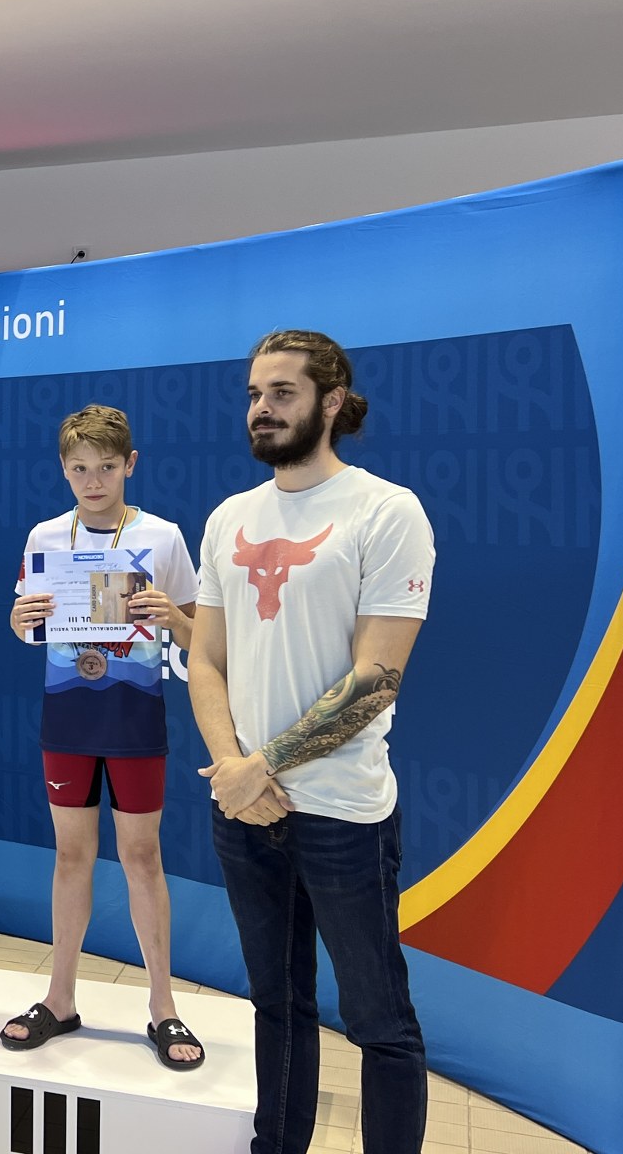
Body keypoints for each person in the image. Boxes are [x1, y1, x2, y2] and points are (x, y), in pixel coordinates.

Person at [190, 330, 434, 1153]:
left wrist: (261, 765)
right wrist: (233, 770)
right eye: (254, 394)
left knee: (379, 1021)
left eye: (283, 393)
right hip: (245, 810)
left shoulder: (386, 512)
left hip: (344, 816)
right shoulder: (229, 518)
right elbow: (206, 659)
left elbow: (376, 680)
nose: (261, 409)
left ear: (331, 402)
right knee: (277, 1005)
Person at [0, 404, 204, 1070]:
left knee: (142, 857)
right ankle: (60, 999)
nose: (93, 482)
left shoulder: (163, 537)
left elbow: (201, 638)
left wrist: (171, 615)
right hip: (68, 719)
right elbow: (27, 626)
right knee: (71, 856)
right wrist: (20, 619)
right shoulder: (45, 536)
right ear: (63, 469)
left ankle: (163, 1007)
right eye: (80, 469)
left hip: (135, 719)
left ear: (130, 465)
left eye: (107, 468)